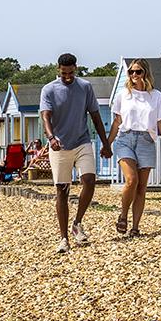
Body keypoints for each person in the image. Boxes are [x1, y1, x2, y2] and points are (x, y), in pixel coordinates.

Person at [40, 52, 109, 254]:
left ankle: (77, 223)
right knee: (62, 189)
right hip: (59, 145)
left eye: (70, 73)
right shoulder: (49, 90)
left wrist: (106, 144)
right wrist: (51, 138)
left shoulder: (85, 87)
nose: (67, 77)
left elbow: (95, 116)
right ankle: (63, 238)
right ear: (58, 70)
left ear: (75, 69)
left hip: (82, 141)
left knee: (89, 180)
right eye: (64, 73)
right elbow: (46, 117)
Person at [104, 59, 161, 236]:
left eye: (138, 72)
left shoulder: (156, 96)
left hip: (146, 140)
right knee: (131, 180)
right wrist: (107, 143)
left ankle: (135, 227)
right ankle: (123, 215)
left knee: (141, 187)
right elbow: (117, 122)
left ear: (145, 73)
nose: (134, 75)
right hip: (125, 138)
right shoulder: (123, 94)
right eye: (131, 72)